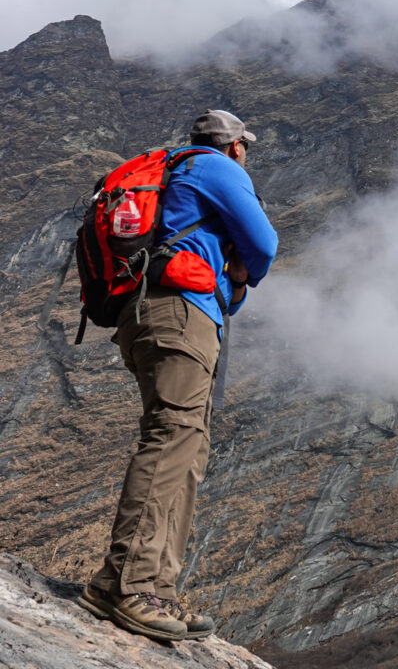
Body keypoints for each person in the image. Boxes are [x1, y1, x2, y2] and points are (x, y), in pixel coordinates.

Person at [77, 110, 278, 641]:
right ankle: (129, 586)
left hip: (145, 313)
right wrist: (244, 274)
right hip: (181, 312)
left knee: (185, 444)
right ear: (235, 146)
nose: (246, 155)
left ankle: (150, 588)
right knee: (173, 439)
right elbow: (264, 244)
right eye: (246, 148)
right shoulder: (217, 168)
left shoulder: (173, 171)